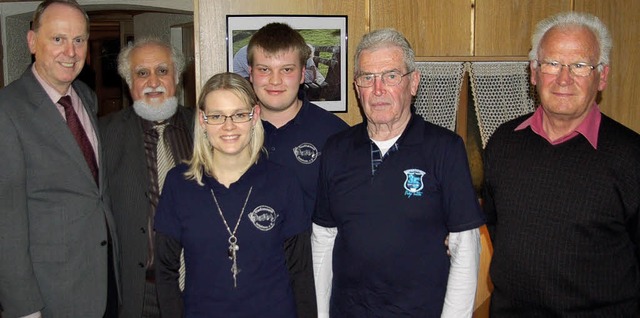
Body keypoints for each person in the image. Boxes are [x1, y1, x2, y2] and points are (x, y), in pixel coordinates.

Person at [312, 28, 485, 317]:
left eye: (391, 76)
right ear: (357, 87)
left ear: (413, 83)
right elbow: (322, 239)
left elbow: (465, 247)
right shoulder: (336, 149)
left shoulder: (444, 148)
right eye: (368, 77)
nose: (378, 89)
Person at [483, 12, 640, 316]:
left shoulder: (632, 157)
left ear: (602, 76)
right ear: (533, 72)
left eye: (580, 66)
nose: (564, 79)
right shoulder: (502, 143)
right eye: (552, 64)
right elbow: (497, 226)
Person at [153, 72, 315, 317]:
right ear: (203, 121)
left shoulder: (283, 182)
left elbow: (301, 271)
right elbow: (165, 271)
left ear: (255, 116)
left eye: (239, 114)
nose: (229, 126)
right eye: (217, 116)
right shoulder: (178, 183)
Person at [0, 0, 120, 317]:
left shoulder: (85, 96)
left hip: (104, 280)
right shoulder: (7, 110)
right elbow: (5, 224)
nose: (70, 51)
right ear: (31, 42)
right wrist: (24, 308)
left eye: (78, 40)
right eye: (58, 39)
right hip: (51, 294)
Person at [246, 22, 349, 317]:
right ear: (250, 73)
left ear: (303, 74)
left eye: (287, 69)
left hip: (317, 284)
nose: (275, 80)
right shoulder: (231, 133)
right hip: (247, 287)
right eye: (265, 69)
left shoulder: (335, 135)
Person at [99, 37, 193, 318]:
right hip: (140, 295)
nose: (154, 81)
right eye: (142, 73)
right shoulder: (104, 135)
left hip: (202, 288)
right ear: (130, 83)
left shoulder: (206, 128)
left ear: (176, 76)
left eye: (162, 70)